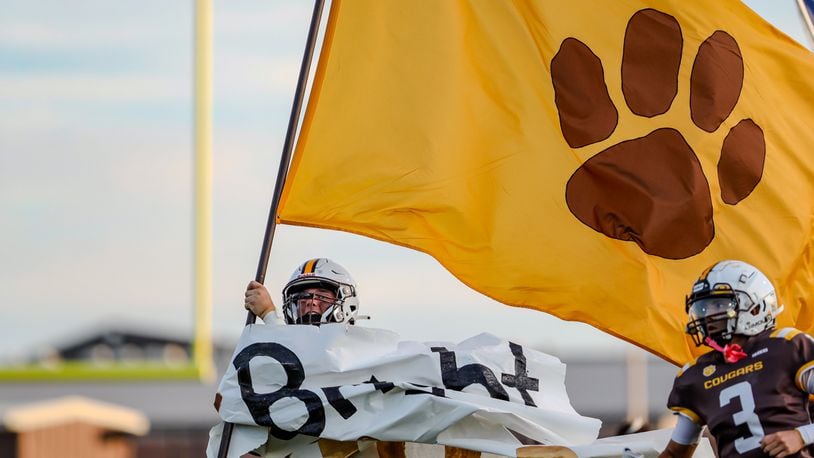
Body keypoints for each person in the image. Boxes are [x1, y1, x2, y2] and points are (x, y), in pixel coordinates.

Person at [660, 260, 814, 458]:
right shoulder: (695, 375)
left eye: (718, 304)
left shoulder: (786, 346)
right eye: (703, 308)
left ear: (756, 307)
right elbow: (675, 454)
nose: (708, 316)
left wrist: (802, 436)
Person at [244, 257, 361, 326]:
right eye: (303, 296)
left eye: (322, 295)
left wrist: (269, 314)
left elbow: (303, 359)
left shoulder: (357, 353)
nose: (311, 302)